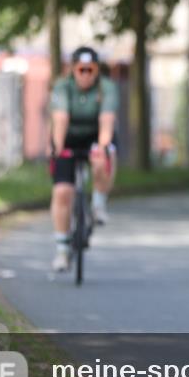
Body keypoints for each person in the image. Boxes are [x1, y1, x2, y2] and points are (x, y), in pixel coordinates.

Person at [49, 46, 119, 272]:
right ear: (73, 69)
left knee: (102, 159)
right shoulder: (62, 87)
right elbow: (60, 119)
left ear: (97, 70)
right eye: (81, 70)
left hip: (94, 136)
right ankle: (62, 249)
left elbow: (106, 122)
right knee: (62, 192)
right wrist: (58, 147)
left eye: (91, 70)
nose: (86, 75)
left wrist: (102, 146)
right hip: (67, 137)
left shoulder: (106, 88)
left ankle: (98, 204)